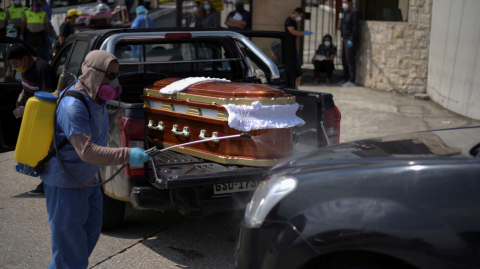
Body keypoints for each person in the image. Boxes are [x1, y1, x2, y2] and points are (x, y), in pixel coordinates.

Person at [40, 50, 151, 268]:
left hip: (88, 181)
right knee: (70, 254)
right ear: (92, 73)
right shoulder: (73, 106)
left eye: (116, 74)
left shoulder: (96, 98)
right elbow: (87, 151)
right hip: (66, 185)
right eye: (110, 75)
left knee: (87, 238)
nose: (114, 81)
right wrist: (127, 154)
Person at [7, 42, 57, 195]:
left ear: (25, 59)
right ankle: (46, 180)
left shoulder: (41, 69)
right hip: (33, 116)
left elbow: (47, 99)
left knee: (47, 151)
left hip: (44, 118)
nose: (15, 67)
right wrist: (22, 96)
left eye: (16, 63)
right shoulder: (25, 67)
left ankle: (47, 183)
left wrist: (26, 110)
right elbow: (27, 85)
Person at [285, 7, 313, 89]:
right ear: (296, 13)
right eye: (300, 15)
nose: (300, 17)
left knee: (297, 63)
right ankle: (295, 85)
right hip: (289, 45)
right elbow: (293, 32)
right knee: (296, 63)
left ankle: (296, 84)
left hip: (292, 45)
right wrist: (303, 33)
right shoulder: (289, 21)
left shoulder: (293, 21)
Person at [340, 0, 359, 87]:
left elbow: (355, 26)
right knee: (344, 59)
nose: (343, 4)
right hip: (345, 38)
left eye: (345, 2)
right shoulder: (346, 12)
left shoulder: (354, 12)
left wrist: (351, 39)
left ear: (350, 2)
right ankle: (345, 78)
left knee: (349, 59)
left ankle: (352, 80)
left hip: (350, 39)